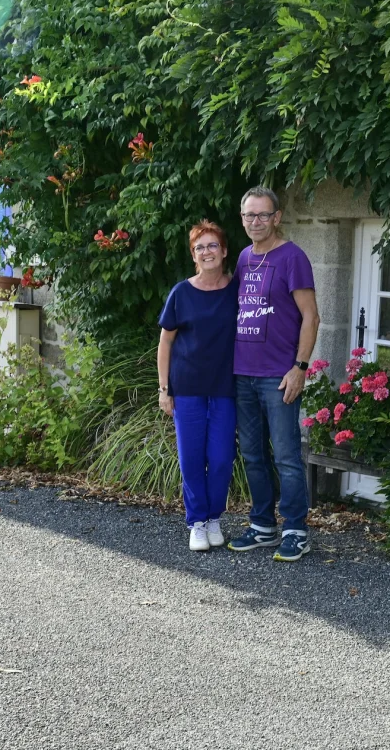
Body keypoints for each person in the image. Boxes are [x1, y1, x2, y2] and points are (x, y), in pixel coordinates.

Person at [228, 186, 320, 562]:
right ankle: (263, 525)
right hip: (242, 374)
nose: (256, 222)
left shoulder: (292, 258)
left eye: (263, 215)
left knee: (285, 455)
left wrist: (299, 368)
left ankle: (296, 529)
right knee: (252, 454)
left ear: (277, 217)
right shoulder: (244, 258)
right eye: (249, 215)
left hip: (278, 376)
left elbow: (311, 317)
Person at [157, 220, 239, 551]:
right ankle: (198, 523)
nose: (207, 252)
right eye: (199, 247)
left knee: (220, 458)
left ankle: (215, 517)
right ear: (194, 255)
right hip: (187, 388)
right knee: (191, 458)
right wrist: (164, 389)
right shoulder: (181, 293)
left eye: (212, 245)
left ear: (224, 251)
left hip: (225, 388)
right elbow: (165, 343)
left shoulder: (237, 291)